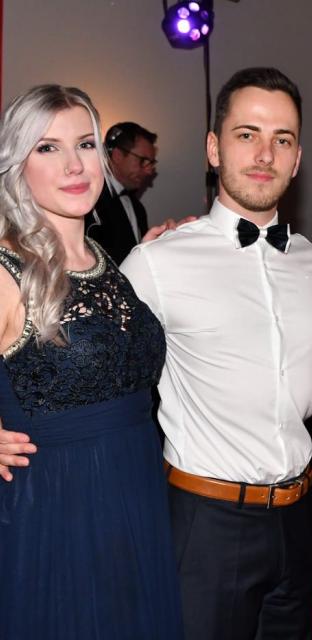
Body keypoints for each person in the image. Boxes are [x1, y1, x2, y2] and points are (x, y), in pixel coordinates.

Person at [118, 67, 312, 640]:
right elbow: (89, 364)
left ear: (297, 158)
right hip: (206, 526)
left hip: (301, 521)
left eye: (282, 139)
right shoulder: (158, 262)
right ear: (214, 149)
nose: (264, 153)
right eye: (246, 134)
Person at [0, 85, 182, 639]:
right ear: (17, 165)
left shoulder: (106, 261)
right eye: (47, 148)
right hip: (55, 511)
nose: (74, 165)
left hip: (136, 495)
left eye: (84, 144)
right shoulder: (7, 269)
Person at [86, 121, 157, 264]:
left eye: (151, 163)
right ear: (117, 156)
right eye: (143, 161)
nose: (149, 171)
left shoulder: (138, 208)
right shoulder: (90, 201)